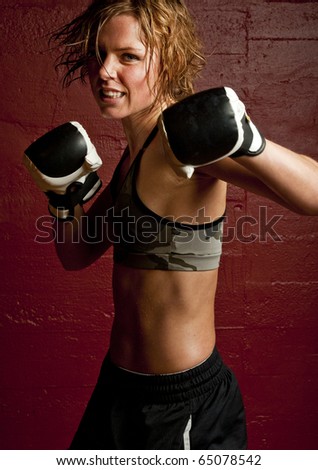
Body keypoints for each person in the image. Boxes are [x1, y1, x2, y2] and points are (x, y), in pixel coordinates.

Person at [24, 0, 318, 450]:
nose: (104, 70)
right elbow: (76, 254)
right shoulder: (134, 154)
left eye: (128, 56)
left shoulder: (183, 142)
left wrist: (252, 142)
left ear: (170, 58)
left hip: (182, 407)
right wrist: (64, 202)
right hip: (118, 389)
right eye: (99, 53)